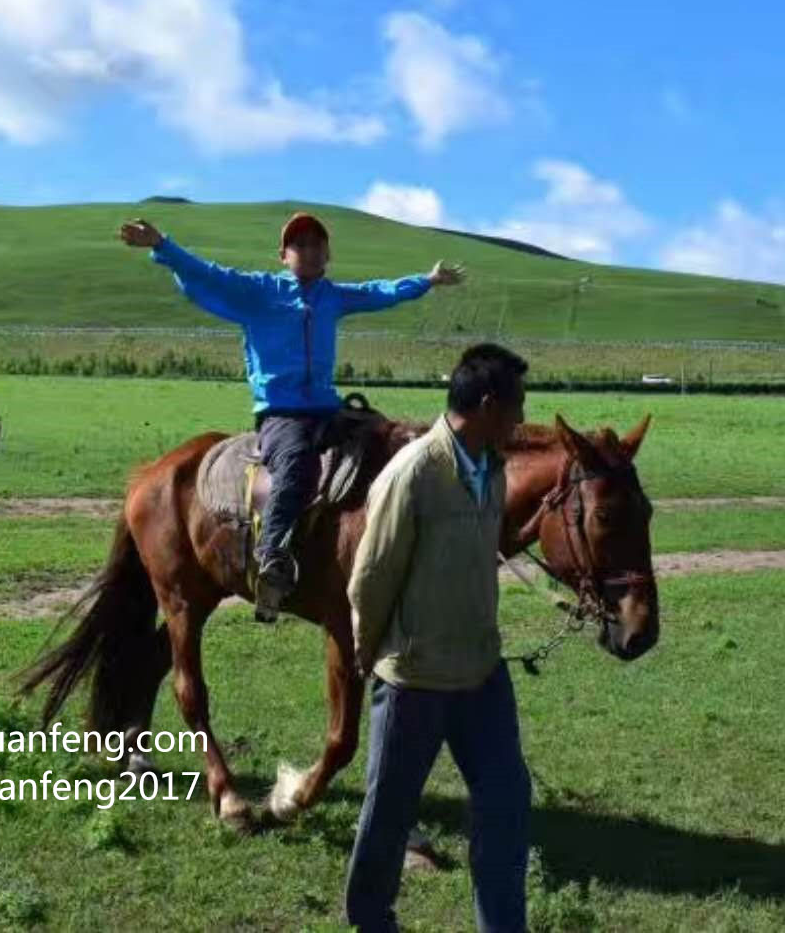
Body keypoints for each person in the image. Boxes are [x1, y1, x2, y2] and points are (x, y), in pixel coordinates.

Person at [119, 210, 465, 621]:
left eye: (317, 245)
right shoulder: (257, 292)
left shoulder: (332, 296)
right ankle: (272, 557)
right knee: (295, 467)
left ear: (327, 254)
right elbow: (207, 274)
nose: (309, 251)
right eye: (299, 245)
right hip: (282, 415)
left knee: (390, 441)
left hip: (328, 410)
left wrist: (425, 281)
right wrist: (162, 245)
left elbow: (379, 291)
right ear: (283, 255)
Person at [345, 343, 532, 933]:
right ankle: (370, 920)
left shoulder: (495, 471)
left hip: (481, 673)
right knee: (388, 814)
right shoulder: (414, 473)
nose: (521, 420)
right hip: (414, 677)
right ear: (484, 405)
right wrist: (370, 655)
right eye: (516, 407)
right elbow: (370, 577)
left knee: (507, 803)